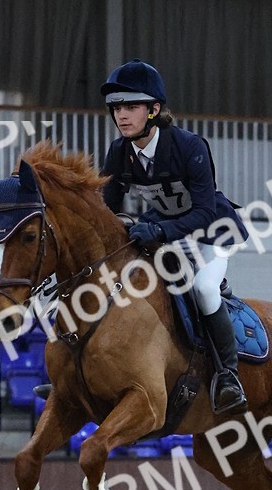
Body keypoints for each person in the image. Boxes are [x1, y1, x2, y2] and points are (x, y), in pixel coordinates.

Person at [100, 58, 249, 413]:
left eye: (131, 107)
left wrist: (159, 229)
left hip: (210, 232)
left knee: (204, 289)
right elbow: (106, 208)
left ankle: (228, 376)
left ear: (154, 110)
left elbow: (204, 211)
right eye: (117, 108)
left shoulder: (189, 146)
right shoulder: (120, 152)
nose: (122, 115)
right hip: (163, 230)